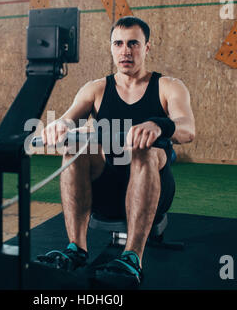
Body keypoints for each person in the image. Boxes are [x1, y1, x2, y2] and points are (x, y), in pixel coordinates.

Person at [37, 16, 195, 287]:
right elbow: (67, 119)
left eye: (133, 43)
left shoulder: (168, 86)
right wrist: (59, 125)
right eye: (119, 43)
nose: (126, 50)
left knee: (145, 151)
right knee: (74, 148)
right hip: (104, 190)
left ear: (146, 48)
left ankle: (132, 257)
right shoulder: (96, 89)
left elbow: (187, 129)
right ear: (111, 47)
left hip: (154, 189)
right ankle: (76, 249)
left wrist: (159, 125)